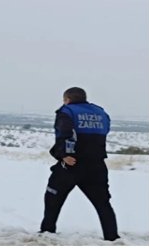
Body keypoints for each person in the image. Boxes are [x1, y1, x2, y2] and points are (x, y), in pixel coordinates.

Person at [40, 87, 119, 241]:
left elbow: (64, 133)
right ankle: (112, 237)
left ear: (67, 99)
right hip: (97, 165)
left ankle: (47, 233)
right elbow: (105, 131)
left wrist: (63, 155)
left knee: (52, 198)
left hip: (72, 164)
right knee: (103, 203)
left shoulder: (67, 111)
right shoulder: (100, 112)